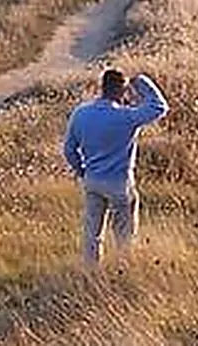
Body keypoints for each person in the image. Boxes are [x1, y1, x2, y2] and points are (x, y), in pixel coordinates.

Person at [62, 68, 169, 266]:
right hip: (119, 183)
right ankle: (123, 269)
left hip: (92, 180)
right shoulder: (126, 117)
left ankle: (90, 272)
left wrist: (81, 171)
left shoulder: (80, 113)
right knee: (124, 234)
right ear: (122, 90)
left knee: (92, 233)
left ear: (102, 87)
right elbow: (160, 107)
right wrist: (140, 81)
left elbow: (68, 150)